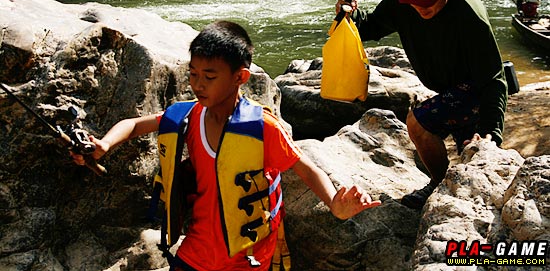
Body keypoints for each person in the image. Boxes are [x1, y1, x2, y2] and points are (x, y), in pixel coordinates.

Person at [72, 20, 381, 271]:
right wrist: (103, 144)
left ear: (240, 77)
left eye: (209, 76)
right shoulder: (189, 116)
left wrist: (334, 204)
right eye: (193, 74)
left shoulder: (262, 128)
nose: (198, 84)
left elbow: (306, 168)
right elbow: (135, 124)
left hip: (248, 256)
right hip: (198, 249)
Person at [336, 0, 508, 209]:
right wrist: (348, 15)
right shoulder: (401, 3)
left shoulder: (468, 14)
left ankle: (439, 184)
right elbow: (368, 27)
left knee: (420, 122)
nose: (419, 5)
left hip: (477, 89)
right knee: (468, 158)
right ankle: (445, 187)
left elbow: (494, 79)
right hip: (449, 91)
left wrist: (491, 132)